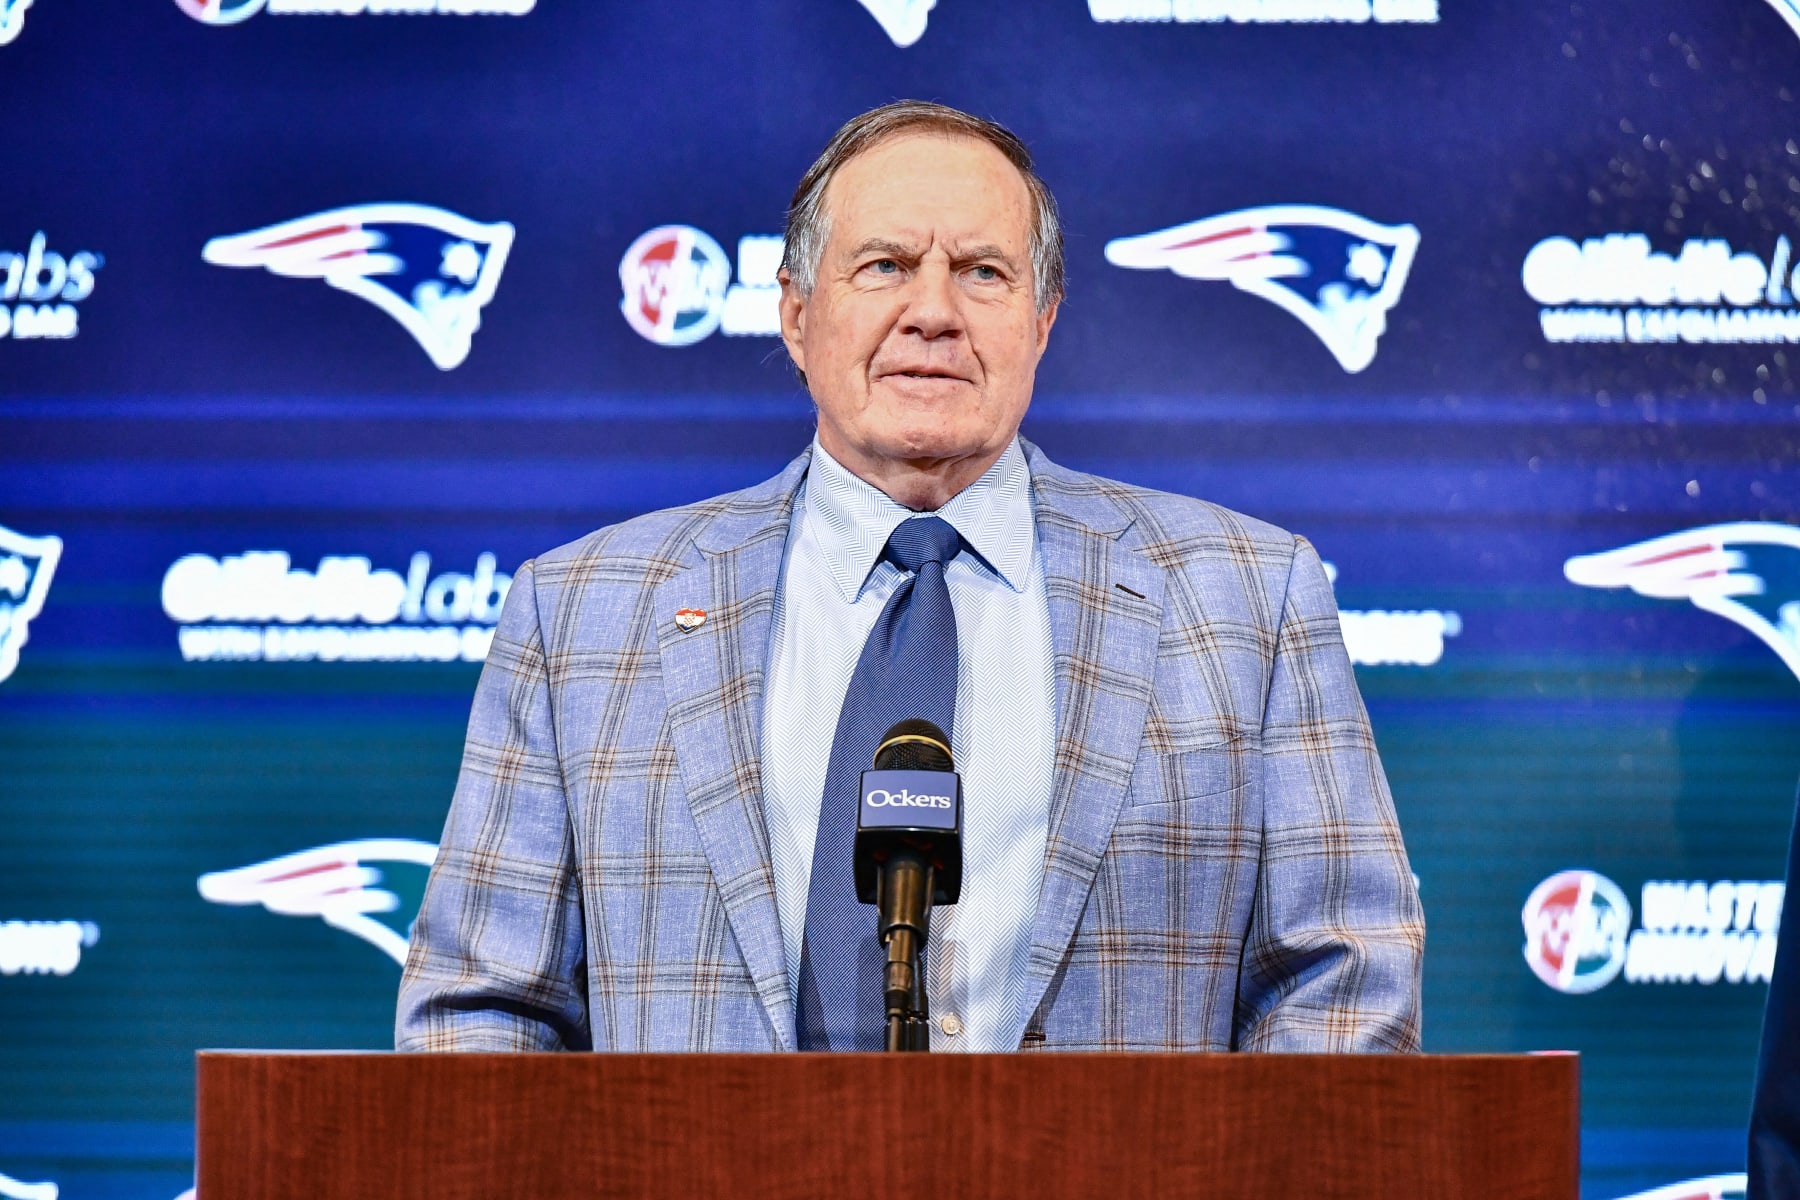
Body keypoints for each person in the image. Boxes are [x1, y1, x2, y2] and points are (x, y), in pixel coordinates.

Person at [396, 100, 1424, 1054]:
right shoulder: (584, 615)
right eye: (884, 265)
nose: (934, 311)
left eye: (983, 272)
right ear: (796, 316)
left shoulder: (1247, 597)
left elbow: (1343, 980)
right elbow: (484, 1010)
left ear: (1043, 320)